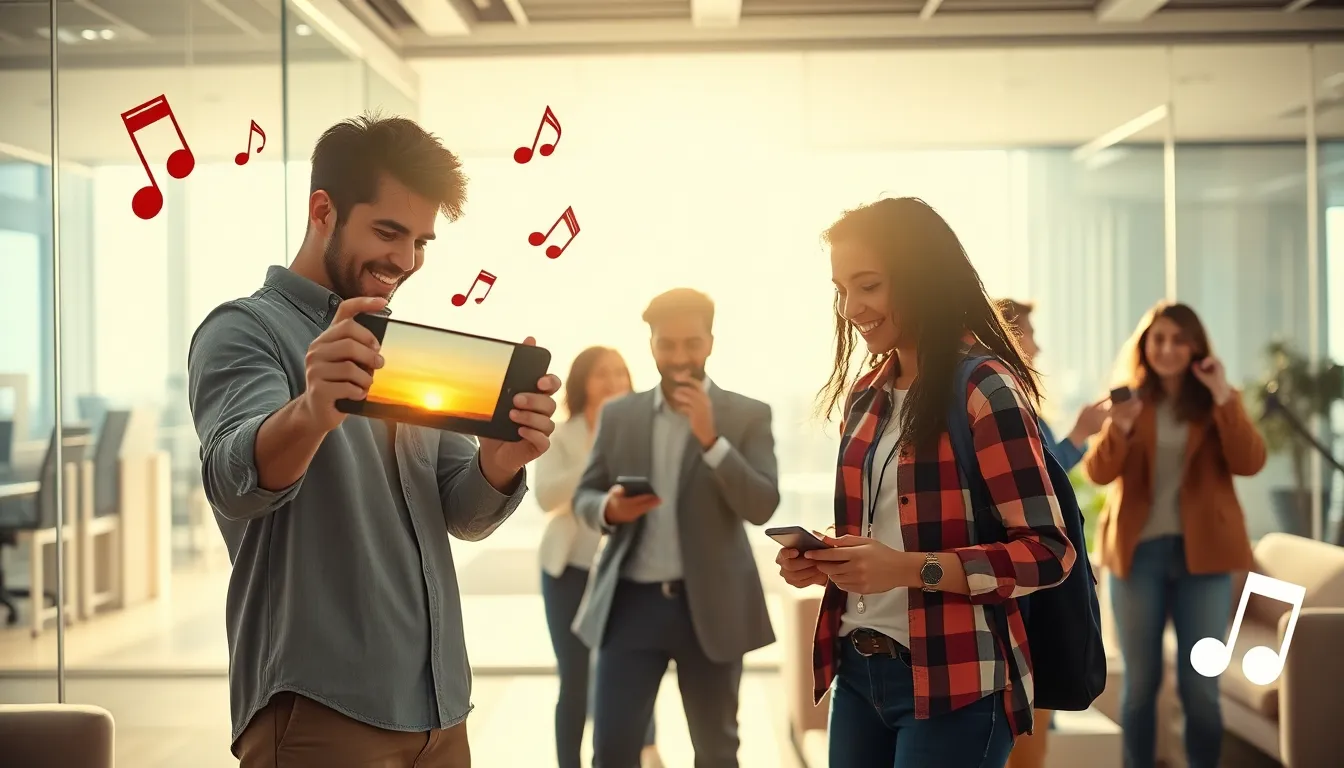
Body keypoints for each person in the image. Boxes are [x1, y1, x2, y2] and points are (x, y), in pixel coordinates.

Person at [187, 115, 561, 768]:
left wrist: (500, 464)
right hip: (321, 711)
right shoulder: (243, 330)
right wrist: (310, 411)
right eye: (388, 231)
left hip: (441, 710)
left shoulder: (403, 344)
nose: (406, 260)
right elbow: (230, 481)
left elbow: (461, 512)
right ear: (323, 211)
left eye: (420, 240)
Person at [774, 197, 1076, 768]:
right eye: (842, 290)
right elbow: (883, 531)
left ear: (920, 277)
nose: (851, 307)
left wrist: (908, 568)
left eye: (868, 285)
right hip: (859, 674)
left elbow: (1048, 551)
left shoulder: (985, 388)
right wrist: (827, 559)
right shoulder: (865, 396)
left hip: (957, 683)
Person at [571, 288, 781, 768]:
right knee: (611, 751)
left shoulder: (748, 414)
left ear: (710, 341)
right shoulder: (620, 415)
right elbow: (584, 496)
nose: (680, 357)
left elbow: (763, 504)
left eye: (692, 343)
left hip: (711, 606)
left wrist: (711, 439)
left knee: (716, 751)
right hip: (630, 605)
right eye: (668, 344)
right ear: (651, 345)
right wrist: (608, 508)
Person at [1084, 302, 1265, 768]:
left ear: (1195, 347)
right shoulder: (1128, 401)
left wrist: (1223, 394)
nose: (1166, 348)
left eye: (1178, 339)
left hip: (1203, 560)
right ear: (1145, 345)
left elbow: (1250, 461)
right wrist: (1118, 430)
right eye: (1158, 338)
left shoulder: (1219, 400)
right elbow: (1099, 473)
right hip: (1137, 555)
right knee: (1141, 687)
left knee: (1201, 687)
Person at [995, 298, 1109, 768]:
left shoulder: (1011, 400)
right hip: (1028, 593)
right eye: (1027, 333)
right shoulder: (1004, 402)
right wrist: (1080, 434)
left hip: (1033, 592)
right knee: (1029, 728)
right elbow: (1041, 481)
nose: (1037, 347)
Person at [534, 346, 660, 768]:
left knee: (634, 671)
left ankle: (638, 756)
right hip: (567, 569)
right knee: (575, 679)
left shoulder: (644, 433)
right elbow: (548, 496)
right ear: (582, 381)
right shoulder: (559, 434)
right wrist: (601, 447)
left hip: (627, 570)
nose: (612, 382)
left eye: (620, 374)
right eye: (602, 374)